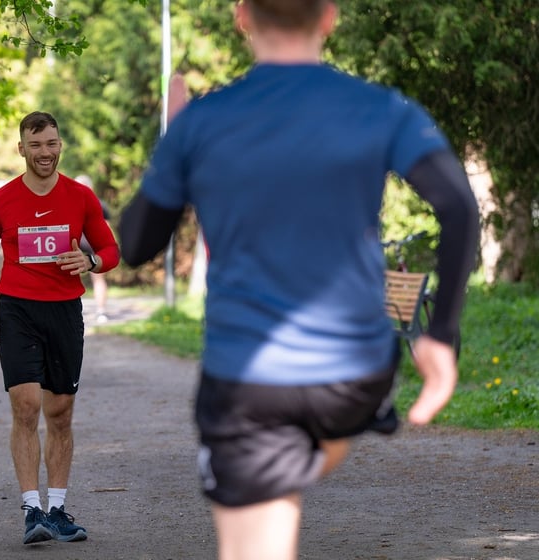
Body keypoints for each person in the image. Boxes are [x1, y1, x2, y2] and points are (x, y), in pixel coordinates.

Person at [119, 2, 480, 559]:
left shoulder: (204, 120)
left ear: (243, 17)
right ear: (329, 17)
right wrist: (442, 336)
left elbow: (136, 246)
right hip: (356, 378)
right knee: (306, 441)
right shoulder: (381, 107)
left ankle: (279, 469)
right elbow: (458, 207)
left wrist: (171, 148)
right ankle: (297, 459)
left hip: (249, 383)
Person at [0, 111, 120, 545]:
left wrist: (90, 262)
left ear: (60, 146)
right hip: (17, 310)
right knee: (26, 405)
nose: (45, 153)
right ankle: (31, 509)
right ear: (21, 149)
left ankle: (57, 509)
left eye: (51, 144)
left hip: (65, 311)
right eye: (35, 146)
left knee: (60, 412)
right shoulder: (1, 200)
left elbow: (110, 249)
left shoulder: (80, 196)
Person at [74, 174, 111, 323]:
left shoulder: (99, 205)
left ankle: (101, 311)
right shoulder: (67, 203)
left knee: (98, 278)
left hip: (91, 243)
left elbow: (106, 229)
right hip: (74, 242)